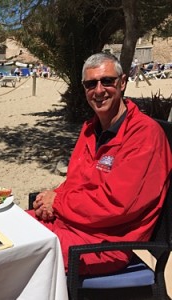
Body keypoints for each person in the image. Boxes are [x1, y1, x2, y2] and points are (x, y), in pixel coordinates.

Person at [27, 52, 172, 275]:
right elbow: (75, 182)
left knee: (19, 254)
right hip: (73, 223)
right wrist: (50, 197)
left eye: (107, 81)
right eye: (90, 84)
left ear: (122, 83)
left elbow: (116, 204)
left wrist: (57, 203)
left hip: (107, 242)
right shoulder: (90, 129)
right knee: (9, 229)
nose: (99, 90)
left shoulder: (144, 135)